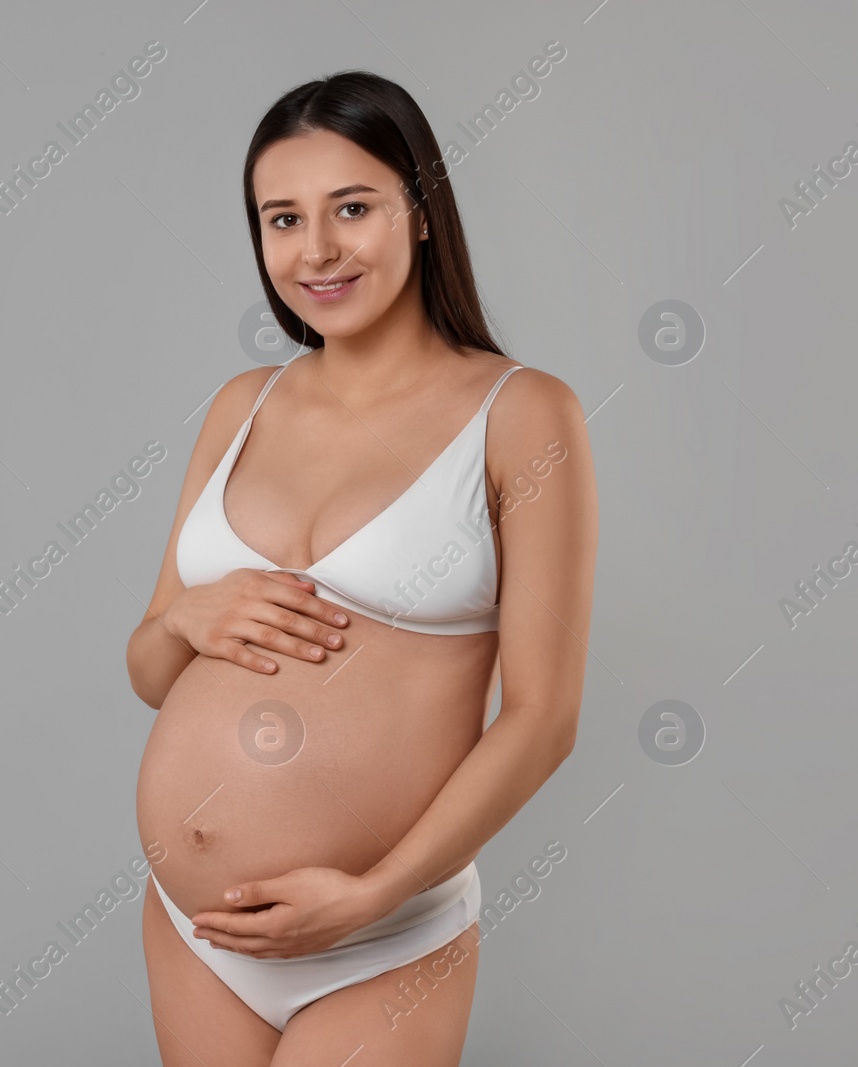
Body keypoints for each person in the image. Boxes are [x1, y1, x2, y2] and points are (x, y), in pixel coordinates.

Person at [128, 70, 597, 1065]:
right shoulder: (240, 403)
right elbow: (148, 667)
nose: (318, 250)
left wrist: (372, 894)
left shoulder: (521, 416)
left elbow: (544, 717)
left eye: (352, 208)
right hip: (195, 926)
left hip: (383, 936)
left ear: (421, 213)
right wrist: (183, 623)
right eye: (283, 218)